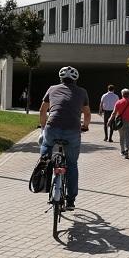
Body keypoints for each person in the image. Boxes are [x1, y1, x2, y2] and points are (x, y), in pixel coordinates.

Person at [39, 66, 91, 211]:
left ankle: (43, 176)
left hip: (52, 127)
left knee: (45, 153)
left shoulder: (52, 88)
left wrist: (43, 128)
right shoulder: (82, 92)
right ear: (75, 79)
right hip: (73, 130)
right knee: (72, 164)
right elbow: (87, 114)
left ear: (60, 78)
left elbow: (43, 110)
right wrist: (85, 126)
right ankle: (70, 201)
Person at [108, 88, 129, 159]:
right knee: (128, 136)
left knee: (122, 137)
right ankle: (127, 150)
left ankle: (122, 151)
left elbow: (114, 113)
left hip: (120, 122)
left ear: (122, 94)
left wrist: (109, 121)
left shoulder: (118, 102)